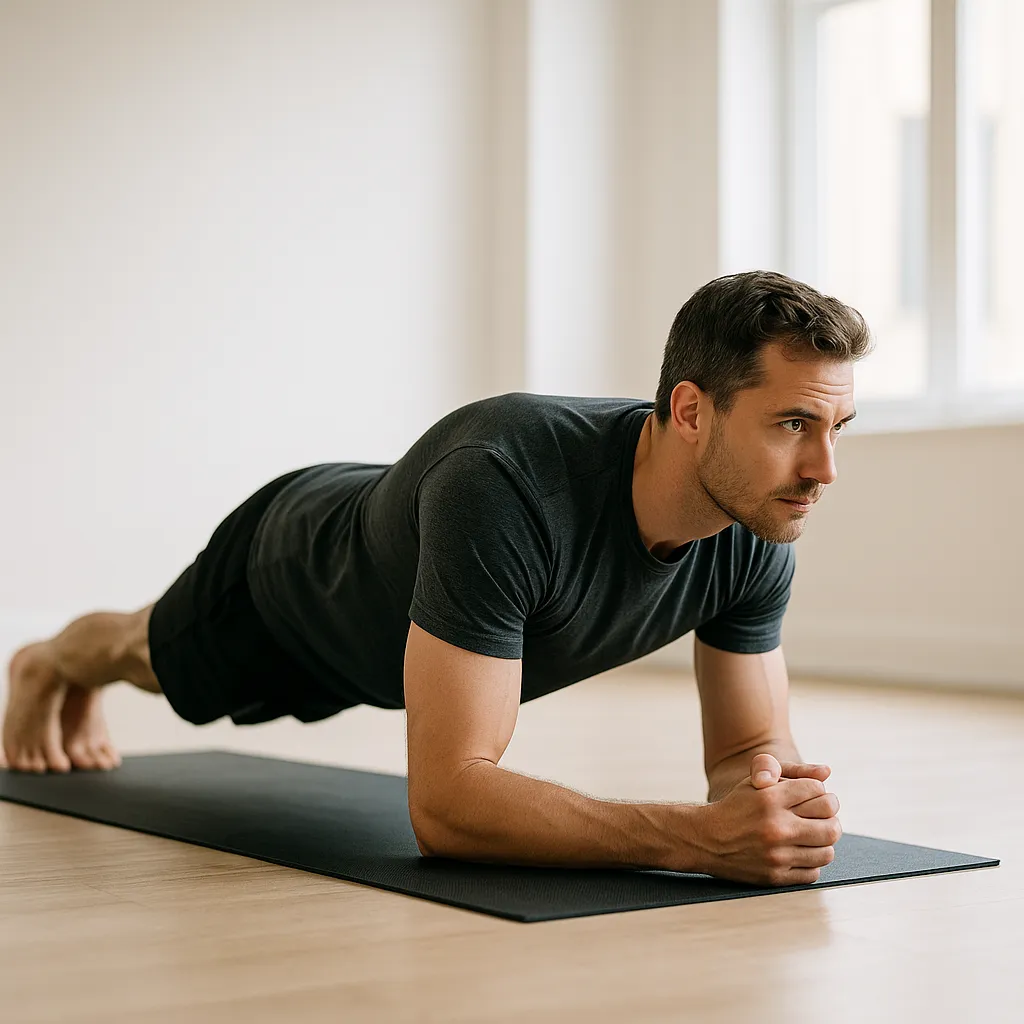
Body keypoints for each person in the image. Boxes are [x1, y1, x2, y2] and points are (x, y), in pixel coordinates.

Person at [2, 269, 870, 887]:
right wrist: (697, 841)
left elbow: (747, 751)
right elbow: (449, 805)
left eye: (838, 426)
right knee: (145, 652)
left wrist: (769, 809)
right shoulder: (501, 482)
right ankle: (46, 662)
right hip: (293, 579)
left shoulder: (758, 526)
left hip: (403, 606)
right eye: (793, 423)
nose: (824, 468)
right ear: (690, 409)